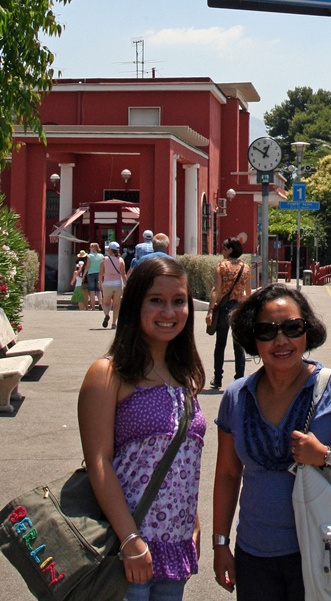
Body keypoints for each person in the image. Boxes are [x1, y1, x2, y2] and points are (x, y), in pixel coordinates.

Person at [212, 284, 331, 600]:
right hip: (254, 554)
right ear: (252, 337)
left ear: (307, 331)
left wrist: (325, 454)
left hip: (323, 550)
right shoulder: (236, 397)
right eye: (267, 331)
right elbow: (227, 475)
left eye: (292, 328)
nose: (281, 340)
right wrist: (221, 545)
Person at [78, 256, 206, 601]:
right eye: (156, 301)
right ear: (135, 304)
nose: (169, 312)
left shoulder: (184, 376)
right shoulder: (108, 373)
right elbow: (99, 462)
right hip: (125, 547)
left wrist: (192, 521)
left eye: (179, 301)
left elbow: (176, 456)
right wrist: (130, 539)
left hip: (174, 545)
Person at [206, 238, 251, 389]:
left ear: (230, 250)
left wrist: (210, 310)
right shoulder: (245, 267)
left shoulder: (221, 266)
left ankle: (217, 378)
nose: (222, 251)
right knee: (239, 344)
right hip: (239, 307)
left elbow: (216, 290)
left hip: (224, 308)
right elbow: (248, 292)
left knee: (220, 343)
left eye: (224, 248)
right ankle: (239, 378)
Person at [99, 242, 126, 330]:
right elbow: (123, 274)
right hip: (117, 284)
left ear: (110, 250)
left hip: (107, 283)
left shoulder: (104, 259)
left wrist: (99, 282)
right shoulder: (121, 260)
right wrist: (126, 283)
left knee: (106, 303)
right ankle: (114, 323)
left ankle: (107, 315)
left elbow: (101, 273)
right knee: (116, 305)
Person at [84, 241, 104, 310]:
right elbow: (103, 265)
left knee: (92, 291)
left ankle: (93, 307)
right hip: (99, 274)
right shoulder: (101, 256)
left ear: (94, 248)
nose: (89, 248)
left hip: (91, 273)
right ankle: (100, 304)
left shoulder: (89, 256)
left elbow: (87, 266)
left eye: (90, 247)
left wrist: (84, 275)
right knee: (98, 291)